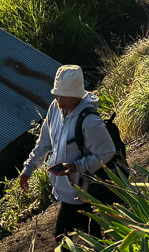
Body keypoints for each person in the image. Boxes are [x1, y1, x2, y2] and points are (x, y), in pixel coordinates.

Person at [18, 65, 118, 240]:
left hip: (85, 193)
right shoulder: (55, 109)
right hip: (67, 190)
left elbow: (107, 152)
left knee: (62, 239)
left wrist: (76, 166)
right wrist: (28, 169)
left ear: (76, 95)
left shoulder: (90, 122)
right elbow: (44, 143)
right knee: (92, 238)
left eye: (62, 94)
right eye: (56, 93)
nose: (57, 98)